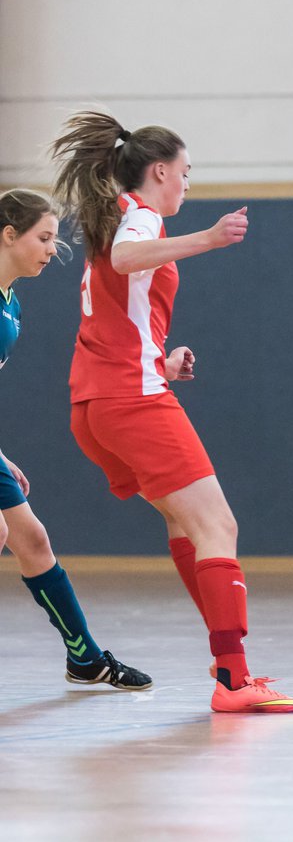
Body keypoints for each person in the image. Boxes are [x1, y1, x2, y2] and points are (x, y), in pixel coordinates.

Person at [49, 111, 293, 713]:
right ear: (159, 171)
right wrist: (210, 239)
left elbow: (118, 314)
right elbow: (125, 259)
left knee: (187, 526)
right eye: (186, 172)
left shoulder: (118, 220)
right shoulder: (138, 220)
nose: (189, 183)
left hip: (97, 403)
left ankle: (228, 666)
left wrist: (162, 363)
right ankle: (236, 682)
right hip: (129, 403)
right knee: (220, 527)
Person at [0, 188, 152, 690]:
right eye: (42, 238)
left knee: (32, 540)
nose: (51, 249)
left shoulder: (11, 303)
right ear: (8, 236)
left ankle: (84, 657)